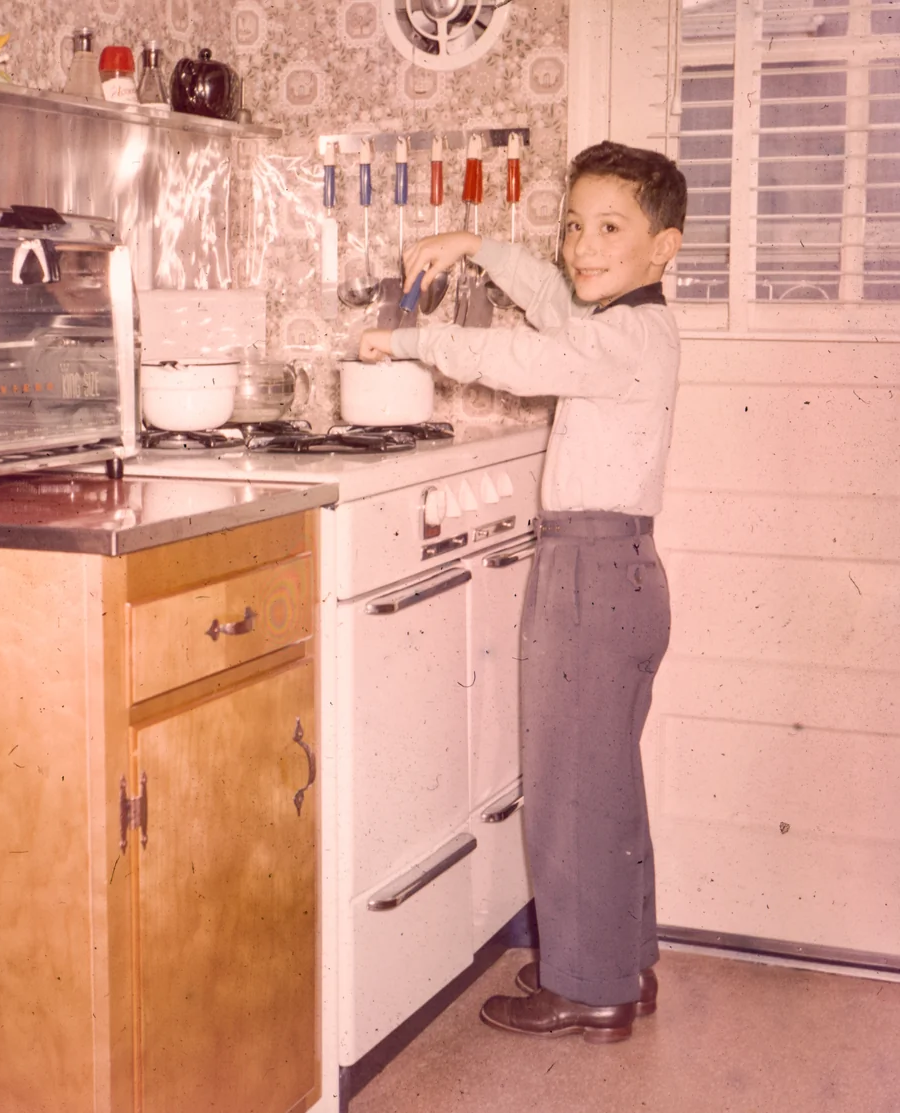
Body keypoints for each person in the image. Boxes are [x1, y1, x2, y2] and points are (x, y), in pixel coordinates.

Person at [359, 140, 687, 1044]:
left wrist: (410, 340)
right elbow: (550, 301)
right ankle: (623, 960)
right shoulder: (632, 322)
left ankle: (586, 988)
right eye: (574, 224)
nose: (583, 245)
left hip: (589, 575)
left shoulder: (619, 338)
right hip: (623, 572)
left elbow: (518, 356)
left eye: (611, 228)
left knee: (569, 788)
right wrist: (474, 243)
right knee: (606, 782)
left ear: (665, 246)